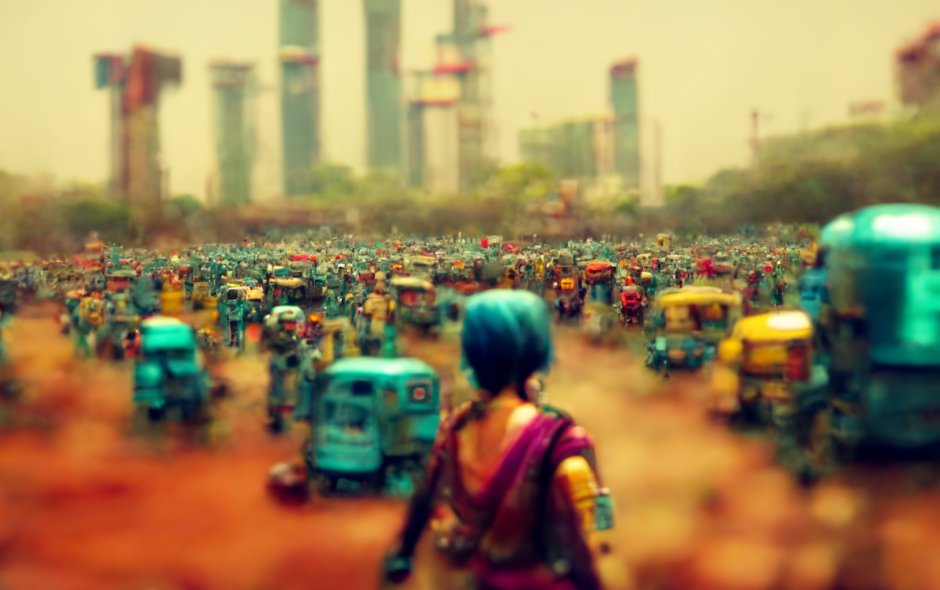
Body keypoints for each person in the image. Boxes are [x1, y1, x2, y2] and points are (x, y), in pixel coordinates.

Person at [381, 290, 612, 590]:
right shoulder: (560, 437)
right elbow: (586, 543)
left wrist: (403, 554)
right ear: (537, 350)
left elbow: (424, 498)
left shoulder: (456, 427)